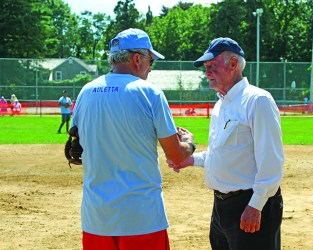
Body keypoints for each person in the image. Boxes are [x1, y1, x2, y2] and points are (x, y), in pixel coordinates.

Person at [70, 28, 196, 250]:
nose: (150, 67)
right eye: (150, 60)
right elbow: (176, 155)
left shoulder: (86, 91)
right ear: (138, 59)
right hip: (142, 218)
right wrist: (189, 142)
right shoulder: (149, 92)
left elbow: (75, 149)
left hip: (96, 218)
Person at [168, 38, 284, 250]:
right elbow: (220, 153)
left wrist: (255, 205)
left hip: (249, 205)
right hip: (221, 207)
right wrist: (191, 160)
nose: (207, 72)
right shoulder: (221, 104)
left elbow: (271, 161)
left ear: (233, 64)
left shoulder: (258, 100)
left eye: (212, 65)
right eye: (206, 67)